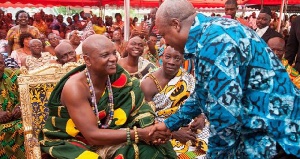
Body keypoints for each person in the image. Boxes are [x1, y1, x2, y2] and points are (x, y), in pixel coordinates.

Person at [150, 0, 300, 158]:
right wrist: (169, 124)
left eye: (164, 34)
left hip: (277, 137)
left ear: (176, 25)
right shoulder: (212, 31)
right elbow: (202, 91)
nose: (166, 42)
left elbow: (225, 118)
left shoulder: (214, 43)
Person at [39, 34, 176, 159]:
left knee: (151, 151)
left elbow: (138, 108)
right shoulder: (75, 88)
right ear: (87, 60)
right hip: (72, 140)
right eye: (105, 55)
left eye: (114, 53)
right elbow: (92, 136)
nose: (113, 58)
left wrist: (152, 130)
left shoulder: (118, 76)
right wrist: (140, 134)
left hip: (111, 133)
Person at [141, 46, 209, 159]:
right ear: (161, 57)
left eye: (177, 58)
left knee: (215, 144)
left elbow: (196, 102)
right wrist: (173, 133)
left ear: (182, 60)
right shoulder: (148, 84)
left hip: (189, 124)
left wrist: (201, 117)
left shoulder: (187, 77)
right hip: (163, 130)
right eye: (168, 57)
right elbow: (145, 119)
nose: (172, 62)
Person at [0, 54, 25, 158]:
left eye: (0, 64)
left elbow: (29, 96)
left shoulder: (15, 76)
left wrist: (20, 108)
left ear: (4, 64)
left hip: (18, 120)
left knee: (25, 128)